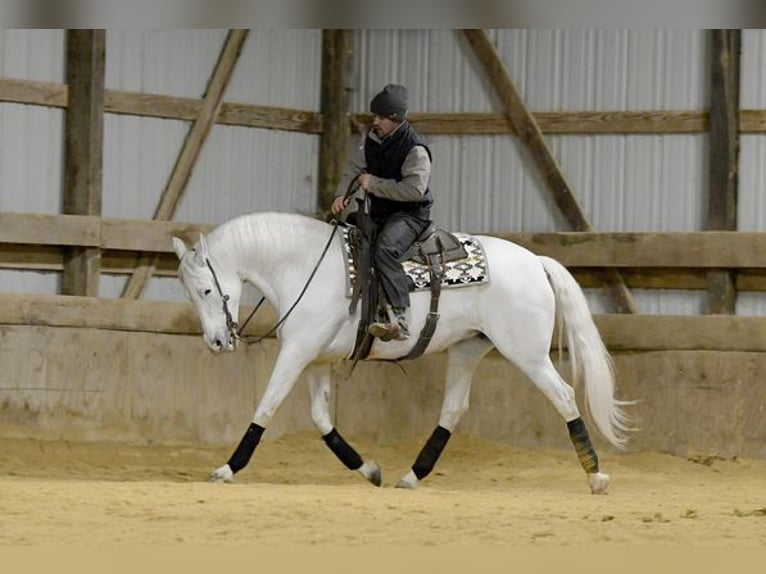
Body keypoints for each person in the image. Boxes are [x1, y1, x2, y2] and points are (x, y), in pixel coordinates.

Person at [331, 84, 433, 342]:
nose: (374, 121)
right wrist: (341, 194)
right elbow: (354, 167)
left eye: (380, 117)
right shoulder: (373, 139)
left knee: (385, 249)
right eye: (374, 116)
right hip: (380, 212)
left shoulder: (415, 150)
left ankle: (400, 317)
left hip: (409, 216)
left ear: (395, 119)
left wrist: (374, 184)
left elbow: (414, 191)